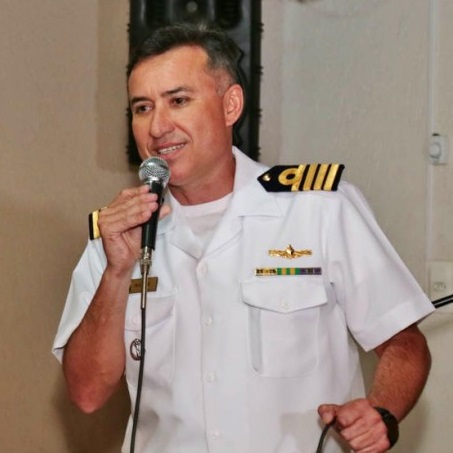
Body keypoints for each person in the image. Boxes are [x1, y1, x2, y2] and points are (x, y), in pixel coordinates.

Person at [53, 22, 434, 453]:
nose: (158, 126)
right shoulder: (115, 234)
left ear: (230, 104)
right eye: (142, 108)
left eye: (178, 100)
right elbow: (87, 393)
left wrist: (381, 410)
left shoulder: (319, 208)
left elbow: (405, 344)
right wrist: (117, 273)